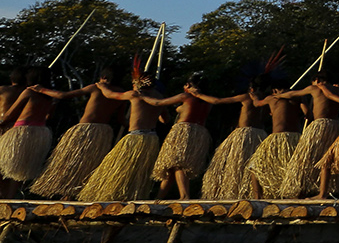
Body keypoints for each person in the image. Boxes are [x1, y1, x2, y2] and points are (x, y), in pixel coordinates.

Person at [79, 62, 178, 202]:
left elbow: (110, 95)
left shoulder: (134, 94)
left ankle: (110, 197)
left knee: (117, 169)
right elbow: (165, 120)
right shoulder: (159, 97)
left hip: (135, 138)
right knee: (137, 172)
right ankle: (132, 196)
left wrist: (101, 86)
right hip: (151, 138)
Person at [28, 67, 121, 200]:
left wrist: (41, 90)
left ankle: (67, 195)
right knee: (88, 164)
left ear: (103, 78)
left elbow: (63, 95)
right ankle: (71, 195)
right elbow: (120, 119)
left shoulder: (96, 87)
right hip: (104, 132)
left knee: (72, 162)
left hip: (86, 130)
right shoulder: (122, 93)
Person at [153, 75, 232, 200]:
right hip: (199, 133)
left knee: (178, 164)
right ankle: (159, 197)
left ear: (189, 85)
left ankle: (184, 196)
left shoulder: (185, 96)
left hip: (184, 131)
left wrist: (141, 96)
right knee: (172, 167)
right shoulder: (206, 101)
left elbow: (158, 103)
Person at [200, 79, 271, 201]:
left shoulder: (247, 97)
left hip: (244, 135)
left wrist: (197, 95)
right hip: (261, 135)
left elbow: (218, 101)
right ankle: (253, 194)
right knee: (253, 167)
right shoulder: (267, 100)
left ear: (252, 89)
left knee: (236, 165)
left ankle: (234, 193)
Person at [279, 72, 339, 199]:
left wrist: (278, 96)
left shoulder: (315, 88)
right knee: (326, 160)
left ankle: (300, 190)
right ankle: (323, 191)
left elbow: (293, 94)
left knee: (305, 158)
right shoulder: (338, 90)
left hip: (320, 125)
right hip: (336, 126)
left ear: (316, 80)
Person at [0, 68, 64, 197]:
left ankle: (6, 197)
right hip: (34, 132)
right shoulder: (45, 95)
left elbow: (8, 115)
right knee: (16, 168)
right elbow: (48, 116)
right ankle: (10, 197)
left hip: (16, 130)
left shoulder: (22, 91)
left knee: (6, 166)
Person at [247, 77, 305, 199]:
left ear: (274, 90)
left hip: (278, 137)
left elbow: (257, 104)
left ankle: (258, 198)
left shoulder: (272, 99)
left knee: (254, 166)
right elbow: (308, 114)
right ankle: (296, 196)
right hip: (296, 138)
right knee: (295, 168)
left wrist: (254, 97)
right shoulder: (297, 97)